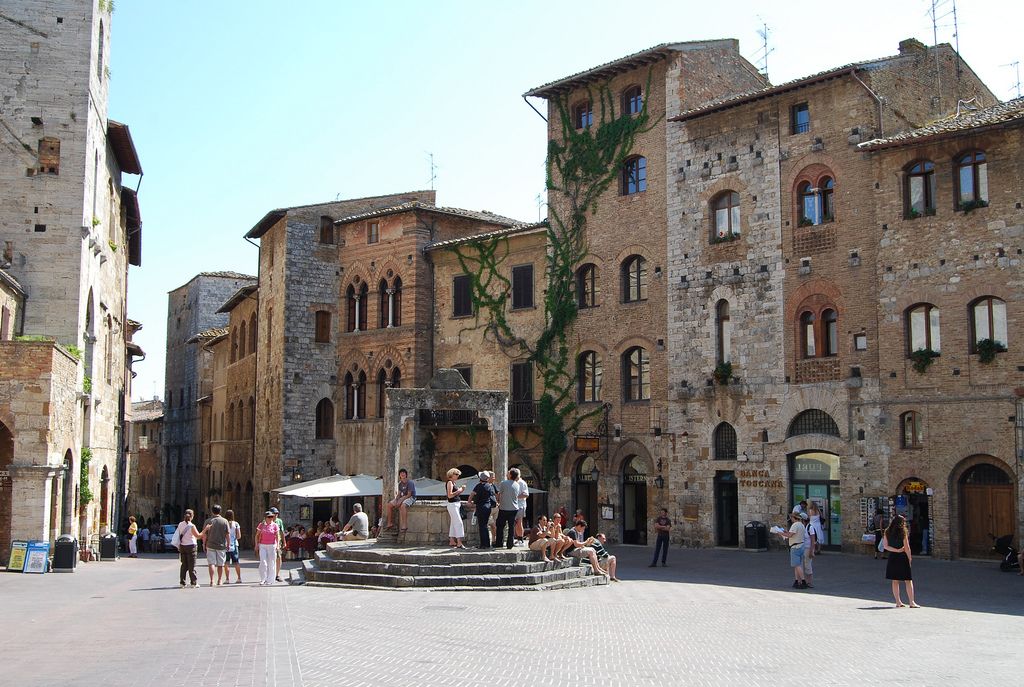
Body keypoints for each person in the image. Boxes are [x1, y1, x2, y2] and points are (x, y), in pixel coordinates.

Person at [883, 514, 920, 607]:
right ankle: (911, 602)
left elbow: (885, 546)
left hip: (892, 558)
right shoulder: (903, 532)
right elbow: (907, 547)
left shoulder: (887, 531)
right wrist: (909, 558)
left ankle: (898, 602)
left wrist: (895, 550)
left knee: (895, 581)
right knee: (908, 580)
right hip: (902, 557)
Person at [775, 509, 807, 589]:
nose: (791, 520)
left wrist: (780, 533)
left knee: (797, 565)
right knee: (797, 565)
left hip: (795, 547)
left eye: (791, 518)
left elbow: (790, 535)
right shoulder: (802, 525)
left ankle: (803, 581)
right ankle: (797, 581)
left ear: (794, 518)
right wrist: (785, 531)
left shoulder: (795, 525)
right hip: (801, 545)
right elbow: (792, 533)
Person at [201, 504, 231, 587]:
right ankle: (220, 580)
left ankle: (211, 580)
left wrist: (204, 544)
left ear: (212, 511)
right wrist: (228, 544)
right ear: (220, 511)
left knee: (211, 563)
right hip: (221, 546)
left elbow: (205, 535)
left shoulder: (208, 521)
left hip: (210, 545)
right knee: (220, 564)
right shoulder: (224, 521)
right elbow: (227, 534)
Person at [495, 468, 522, 549]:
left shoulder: (504, 483)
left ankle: (499, 543)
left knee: (500, 526)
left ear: (510, 475)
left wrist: (498, 501)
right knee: (511, 527)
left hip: (504, 508)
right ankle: (509, 544)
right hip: (514, 508)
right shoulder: (517, 484)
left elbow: (499, 493)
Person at [175, 509, 202, 588]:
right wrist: (205, 530)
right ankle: (193, 582)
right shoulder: (192, 526)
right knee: (191, 565)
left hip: (183, 546)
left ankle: (182, 582)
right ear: (192, 516)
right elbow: (198, 536)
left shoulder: (180, 524)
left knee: (184, 565)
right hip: (191, 546)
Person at [384, 468, 417, 532]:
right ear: (399, 475)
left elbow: (409, 494)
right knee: (389, 505)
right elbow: (399, 494)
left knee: (403, 505)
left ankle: (404, 525)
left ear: (406, 475)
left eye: (404, 473)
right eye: (401, 473)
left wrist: (401, 500)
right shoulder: (400, 484)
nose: (402, 474)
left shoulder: (410, 483)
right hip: (402, 497)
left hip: (411, 497)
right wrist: (396, 500)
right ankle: (389, 523)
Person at [255, 511, 280, 585]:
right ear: (265, 518)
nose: (271, 518)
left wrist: (278, 545)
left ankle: (270, 580)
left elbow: (277, 536)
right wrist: (256, 544)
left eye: (272, 517)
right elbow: (257, 535)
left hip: (272, 545)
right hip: (262, 545)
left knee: (271, 563)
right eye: (269, 517)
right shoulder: (261, 525)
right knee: (263, 562)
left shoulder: (275, 525)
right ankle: (263, 579)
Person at [444, 468, 467, 548]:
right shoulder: (450, 482)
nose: (458, 476)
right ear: (452, 474)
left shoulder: (453, 483)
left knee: (454, 523)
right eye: (456, 474)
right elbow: (449, 495)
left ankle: (452, 540)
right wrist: (460, 490)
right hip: (452, 505)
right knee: (458, 522)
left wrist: (460, 490)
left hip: (456, 504)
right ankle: (459, 542)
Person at [225, 509, 242, 583]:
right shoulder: (236, 524)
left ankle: (227, 579)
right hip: (234, 544)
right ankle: (239, 578)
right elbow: (239, 536)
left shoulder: (224, 523)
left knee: (226, 562)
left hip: (225, 544)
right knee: (236, 562)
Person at [801, 511, 816, 588]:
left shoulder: (810, 527)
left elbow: (813, 540)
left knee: (808, 565)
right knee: (802, 564)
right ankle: (803, 580)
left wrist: (811, 551)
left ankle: (809, 582)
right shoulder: (802, 527)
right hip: (802, 548)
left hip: (808, 548)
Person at [514, 472, 529, 545]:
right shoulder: (514, 482)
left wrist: (515, 497)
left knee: (519, 522)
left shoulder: (522, 483)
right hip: (514, 505)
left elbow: (526, 494)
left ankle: (520, 539)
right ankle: (517, 538)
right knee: (516, 523)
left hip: (520, 505)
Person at [270, 507, 285, 582]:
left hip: (277, 542)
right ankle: (270, 574)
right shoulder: (266, 521)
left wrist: (284, 542)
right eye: (274, 513)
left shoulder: (279, 521)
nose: (276, 515)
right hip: (269, 542)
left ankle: (277, 574)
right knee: (270, 559)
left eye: (277, 513)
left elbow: (282, 532)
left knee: (278, 558)